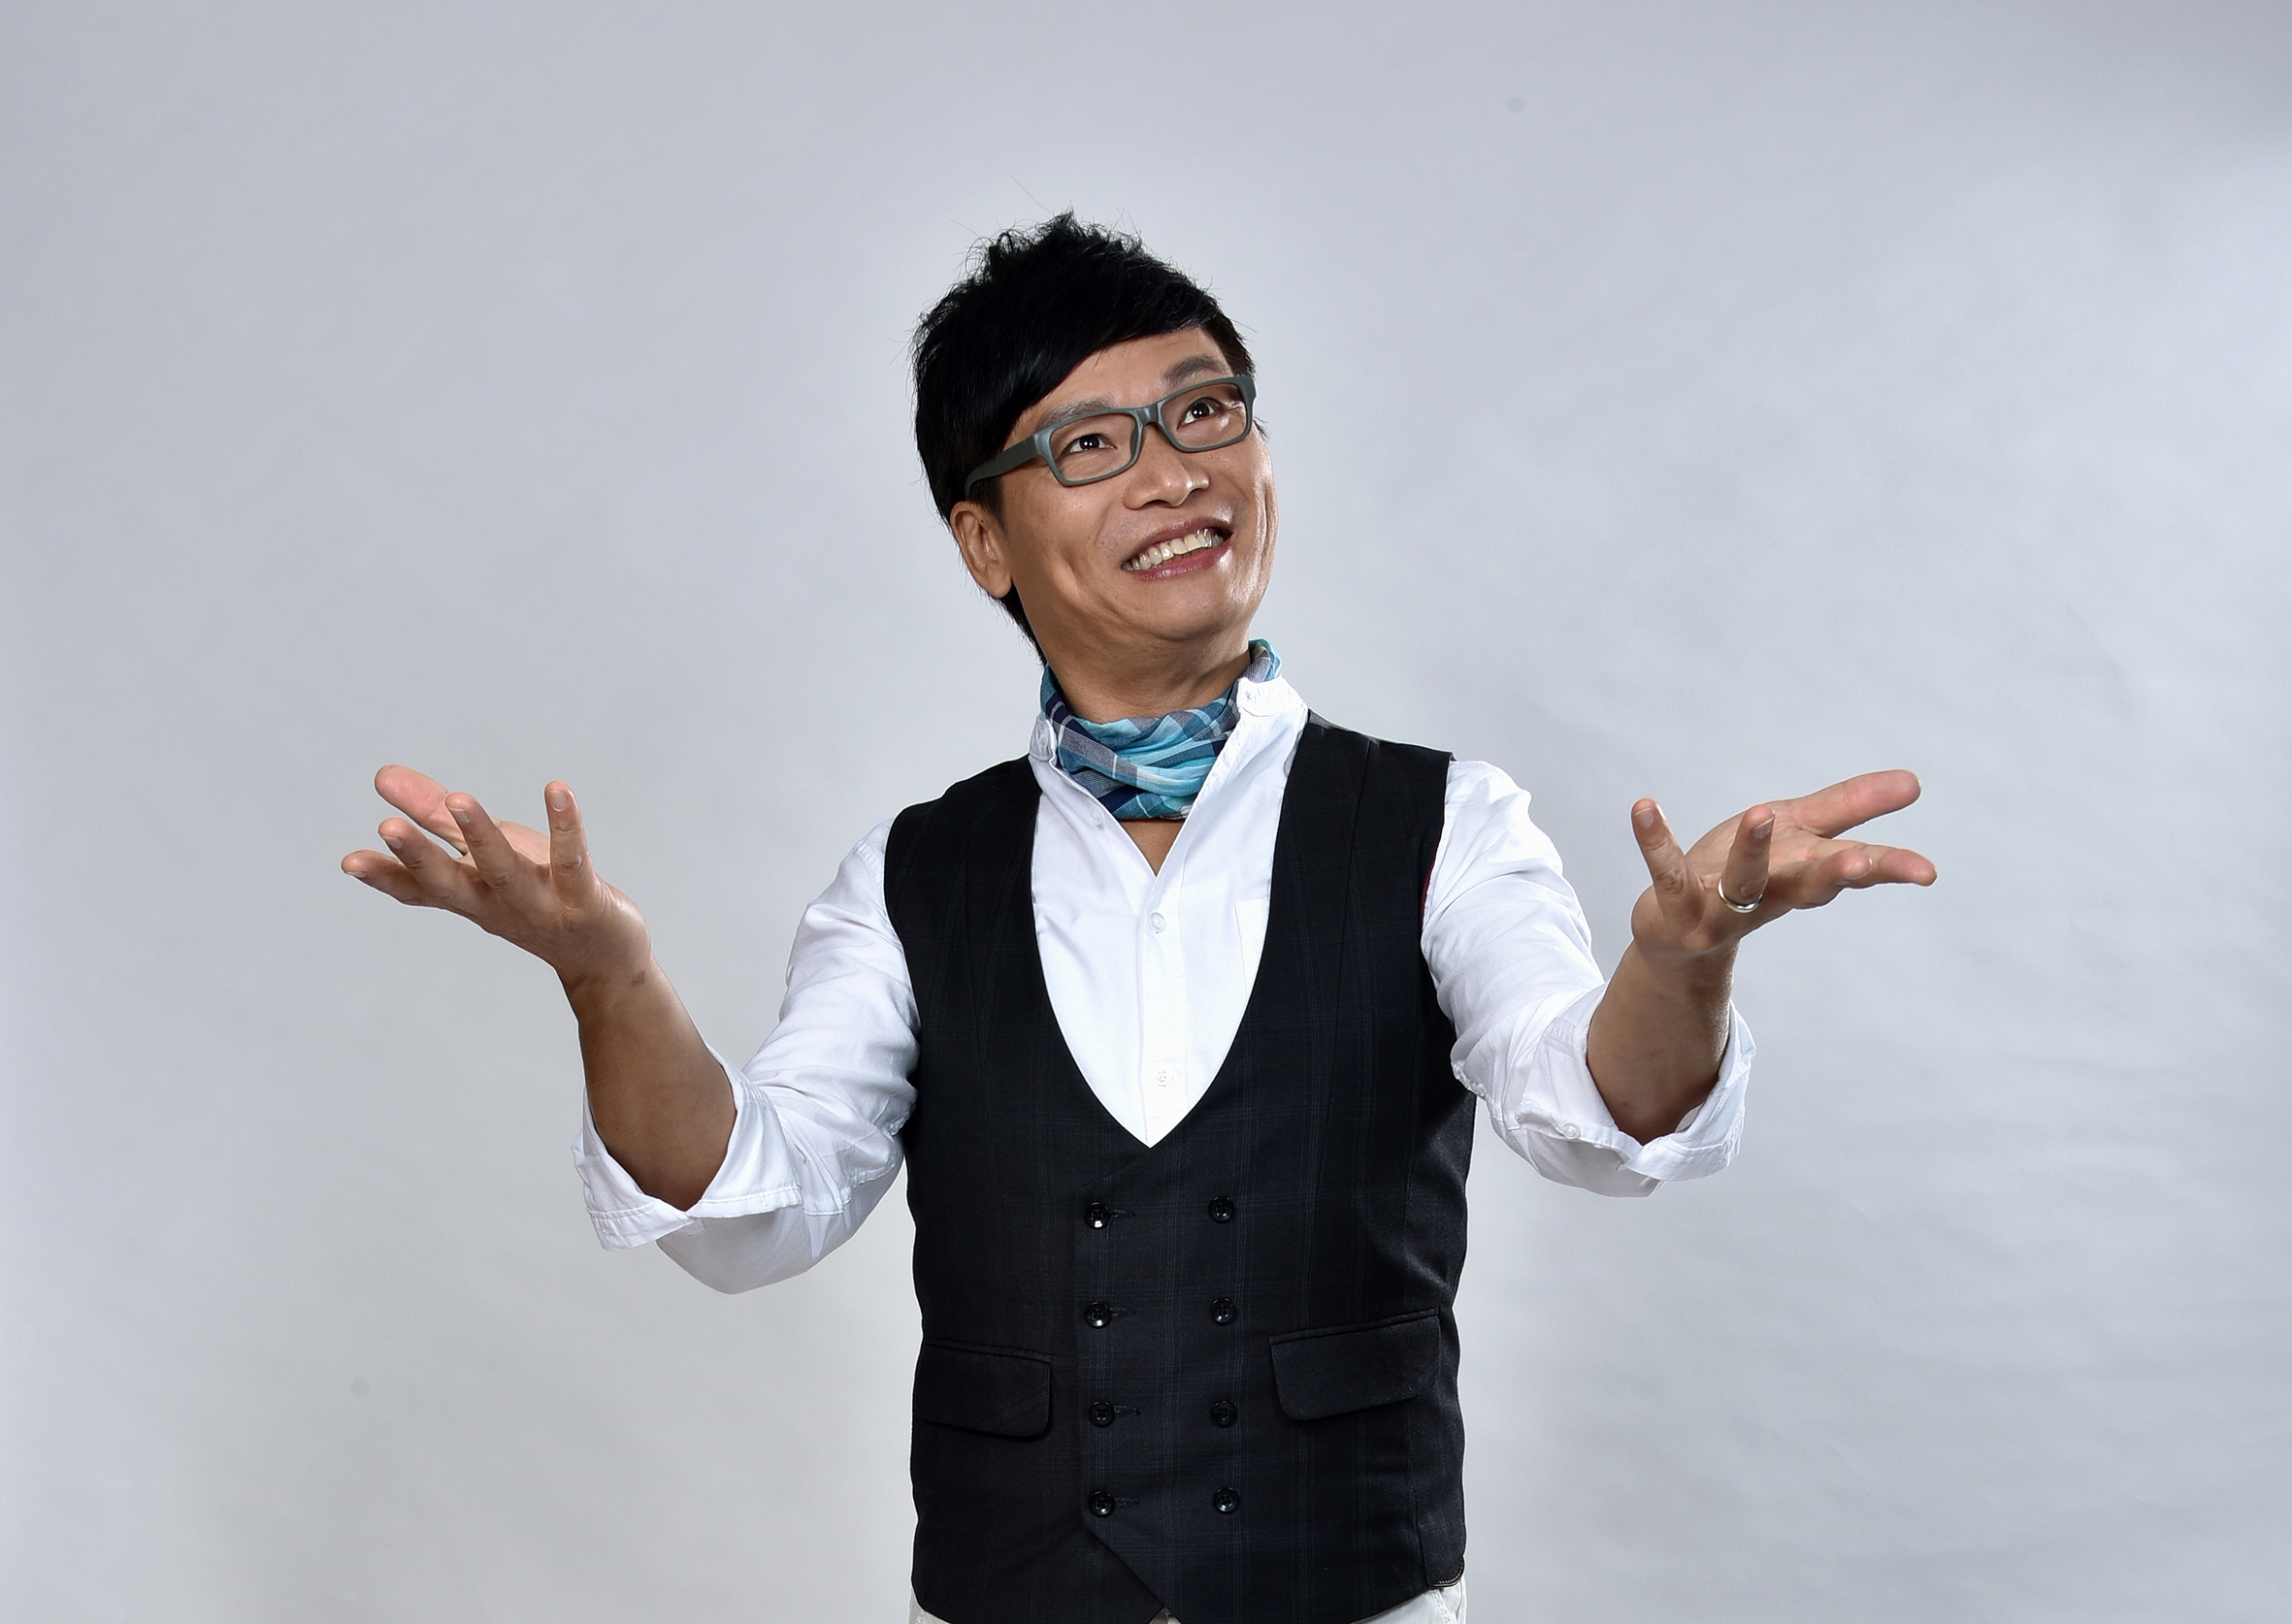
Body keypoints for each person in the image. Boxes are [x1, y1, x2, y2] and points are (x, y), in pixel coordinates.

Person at [342, 215, 1935, 1624]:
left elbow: (1594, 1116)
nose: (1175, 471)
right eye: (1091, 443)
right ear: (984, 540)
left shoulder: (1445, 822)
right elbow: (753, 1207)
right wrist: (609, 979)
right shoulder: (909, 877)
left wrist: (1678, 958)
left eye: (1204, 409)